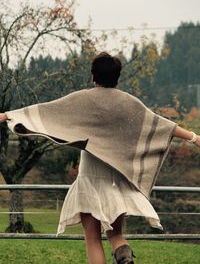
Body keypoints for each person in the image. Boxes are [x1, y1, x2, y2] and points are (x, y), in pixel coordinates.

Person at [0, 52, 200, 264]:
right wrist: (194, 137)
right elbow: (160, 125)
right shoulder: (129, 103)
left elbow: (48, 111)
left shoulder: (83, 99)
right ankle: (124, 256)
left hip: (90, 176)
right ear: (117, 77)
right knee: (115, 235)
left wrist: (8, 115)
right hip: (115, 177)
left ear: (93, 75)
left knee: (93, 239)